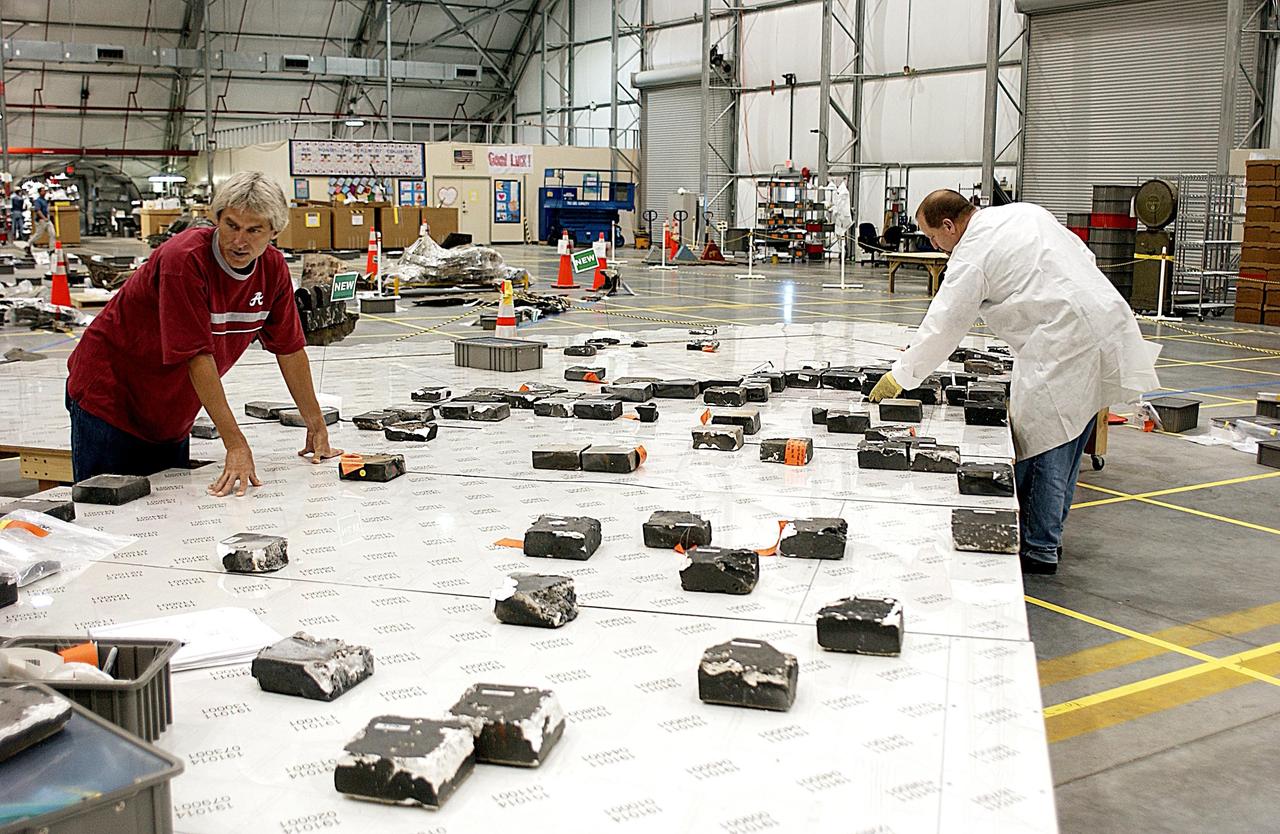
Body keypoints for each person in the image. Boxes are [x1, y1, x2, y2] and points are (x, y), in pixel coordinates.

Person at [868, 189, 1160, 574]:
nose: (935, 246)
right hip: (1104, 323)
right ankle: (1047, 533)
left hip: (1062, 343)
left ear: (949, 225)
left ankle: (1038, 547)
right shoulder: (1022, 214)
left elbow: (944, 326)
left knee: (1045, 442)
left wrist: (900, 375)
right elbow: (1081, 256)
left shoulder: (972, 253)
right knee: (1073, 439)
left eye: (933, 237)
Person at [66, 171, 341, 496]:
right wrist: (235, 443)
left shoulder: (273, 269)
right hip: (111, 400)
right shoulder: (183, 261)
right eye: (232, 226)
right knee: (108, 519)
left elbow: (290, 350)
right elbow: (197, 356)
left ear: (274, 232)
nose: (240, 241)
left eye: (254, 230)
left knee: (167, 520)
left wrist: (315, 422)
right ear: (217, 219)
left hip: (170, 411)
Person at [30, 186, 55, 254]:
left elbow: (47, 210)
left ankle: (52, 249)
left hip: (47, 220)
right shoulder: (38, 201)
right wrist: (44, 218)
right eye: (43, 191)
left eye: (45, 191)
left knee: (52, 233)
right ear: (39, 192)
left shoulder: (45, 200)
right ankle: (28, 244)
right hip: (41, 220)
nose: (44, 192)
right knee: (38, 234)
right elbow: (38, 210)